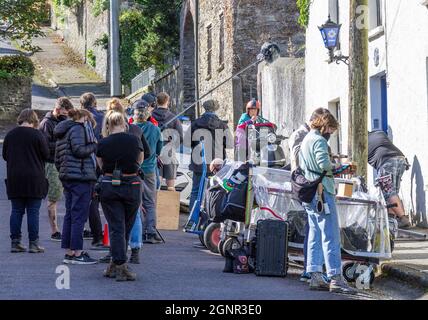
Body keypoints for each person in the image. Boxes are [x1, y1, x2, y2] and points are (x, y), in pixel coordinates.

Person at [299, 110, 356, 294]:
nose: (331, 133)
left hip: (309, 191)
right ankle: (335, 278)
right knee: (331, 235)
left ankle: (314, 274)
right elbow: (324, 165)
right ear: (325, 125)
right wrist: (343, 167)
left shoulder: (306, 139)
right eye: (331, 128)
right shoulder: (319, 141)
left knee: (315, 233)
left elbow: (304, 164)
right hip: (323, 191)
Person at [97, 111, 144, 281]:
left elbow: (101, 165)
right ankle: (119, 264)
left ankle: (116, 263)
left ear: (108, 125)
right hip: (132, 184)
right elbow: (140, 159)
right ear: (124, 124)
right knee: (127, 226)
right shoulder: (134, 139)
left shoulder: (103, 142)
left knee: (116, 226)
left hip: (110, 185)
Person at [288, 108, 331, 283]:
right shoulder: (302, 135)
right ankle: (310, 270)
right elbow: (300, 160)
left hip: (309, 183)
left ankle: (312, 270)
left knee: (314, 228)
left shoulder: (308, 136)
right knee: (314, 228)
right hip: (308, 184)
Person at [54, 108, 98, 265]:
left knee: (70, 215)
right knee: (79, 216)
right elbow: (79, 151)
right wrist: (94, 145)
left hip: (68, 177)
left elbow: (57, 158)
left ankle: (69, 251)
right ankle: (78, 253)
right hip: (80, 178)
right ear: (85, 119)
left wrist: (64, 172)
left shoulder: (63, 130)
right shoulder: (78, 129)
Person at [3, 109, 49, 253]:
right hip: (34, 177)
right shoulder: (37, 135)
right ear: (34, 120)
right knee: (33, 211)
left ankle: (15, 242)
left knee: (16, 210)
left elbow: (5, 155)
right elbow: (46, 155)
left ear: (20, 119)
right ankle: (33, 244)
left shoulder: (10, 135)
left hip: (14, 177)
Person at [39, 97, 74, 241]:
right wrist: (64, 145)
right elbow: (45, 148)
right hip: (52, 163)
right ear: (58, 110)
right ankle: (54, 230)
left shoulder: (64, 121)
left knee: (70, 195)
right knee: (54, 196)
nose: (67, 116)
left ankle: (70, 226)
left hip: (65, 161)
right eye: (65, 113)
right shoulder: (47, 123)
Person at [188, 99, 232, 211]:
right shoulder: (222, 125)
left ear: (204, 108)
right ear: (216, 109)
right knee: (215, 191)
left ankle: (193, 219)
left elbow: (187, 143)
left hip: (199, 162)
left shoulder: (195, 124)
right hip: (217, 165)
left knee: (196, 191)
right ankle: (210, 217)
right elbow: (230, 144)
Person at [368, 130, 411, 229]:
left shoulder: (361, 143)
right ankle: (391, 219)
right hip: (401, 160)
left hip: (386, 163)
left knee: (388, 192)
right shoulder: (378, 133)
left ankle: (403, 218)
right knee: (393, 192)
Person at [134, 107, 163, 246]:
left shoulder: (131, 129)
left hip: (133, 169)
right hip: (149, 168)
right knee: (150, 202)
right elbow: (158, 149)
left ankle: (137, 231)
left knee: (135, 202)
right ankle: (150, 231)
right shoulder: (155, 129)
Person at [80, 92, 105, 244]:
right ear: (95, 103)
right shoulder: (103, 117)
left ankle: (95, 234)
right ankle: (100, 235)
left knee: (91, 200)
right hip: (103, 161)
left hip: (86, 161)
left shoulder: (80, 119)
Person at [152, 92, 183, 191]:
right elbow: (180, 137)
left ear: (156, 102)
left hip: (154, 149)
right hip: (169, 149)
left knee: (157, 180)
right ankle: (170, 205)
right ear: (168, 102)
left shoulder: (150, 116)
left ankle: (154, 204)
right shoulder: (173, 117)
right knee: (170, 184)